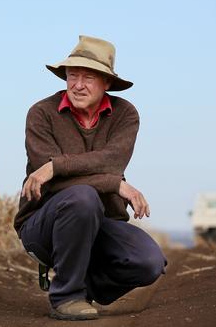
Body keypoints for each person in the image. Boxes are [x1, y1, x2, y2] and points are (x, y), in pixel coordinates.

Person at [14, 35, 167, 320]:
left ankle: (82, 283)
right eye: (73, 76)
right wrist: (113, 184)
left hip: (102, 221)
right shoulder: (41, 114)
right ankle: (65, 297)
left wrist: (55, 166)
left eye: (88, 77)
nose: (78, 85)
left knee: (149, 262)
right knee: (82, 197)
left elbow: (112, 160)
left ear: (107, 82)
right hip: (43, 223)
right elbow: (54, 185)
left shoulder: (125, 115)